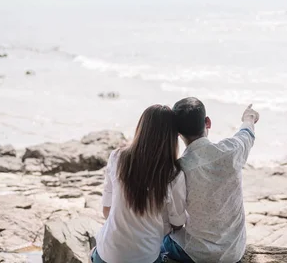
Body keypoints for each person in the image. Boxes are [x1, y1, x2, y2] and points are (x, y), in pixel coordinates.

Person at [162, 98, 259, 263]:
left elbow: (172, 218)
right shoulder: (231, 151)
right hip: (233, 252)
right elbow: (246, 134)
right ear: (208, 122)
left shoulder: (178, 169)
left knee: (158, 240)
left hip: (195, 255)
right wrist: (249, 118)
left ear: (178, 133)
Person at [93, 105, 187, 263]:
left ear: (141, 128)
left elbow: (106, 211)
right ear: (173, 136)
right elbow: (177, 223)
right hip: (146, 258)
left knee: (95, 250)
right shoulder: (173, 174)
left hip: (107, 255)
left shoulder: (117, 157)